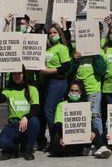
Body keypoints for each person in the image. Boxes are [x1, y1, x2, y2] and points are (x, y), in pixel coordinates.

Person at [70, 20, 108, 139]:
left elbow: (102, 70)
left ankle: (99, 140)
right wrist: (74, 59)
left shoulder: (99, 51)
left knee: (95, 115)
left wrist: (95, 55)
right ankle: (81, 139)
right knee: (80, 115)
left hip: (93, 89)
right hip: (78, 89)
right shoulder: (76, 49)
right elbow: (69, 70)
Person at [0, 68, 40, 161]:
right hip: (14, 125)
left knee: (35, 121)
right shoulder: (8, 90)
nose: (17, 76)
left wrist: (26, 117)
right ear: (11, 76)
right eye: (14, 74)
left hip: (27, 124)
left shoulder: (32, 89)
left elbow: (36, 109)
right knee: (1, 143)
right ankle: (14, 147)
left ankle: (28, 150)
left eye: (20, 73)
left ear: (24, 75)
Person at [39, 21, 71, 149]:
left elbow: (66, 66)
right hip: (47, 82)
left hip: (58, 82)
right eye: (50, 33)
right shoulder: (47, 48)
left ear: (59, 34)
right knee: (50, 111)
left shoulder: (62, 48)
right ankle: (56, 139)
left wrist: (50, 71)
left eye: (54, 32)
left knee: (48, 110)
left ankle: (56, 139)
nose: (52, 35)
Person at [50, 80, 102, 156]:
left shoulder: (85, 106)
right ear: (68, 91)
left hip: (82, 137)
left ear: (81, 92)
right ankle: (82, 151)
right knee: (55, 145)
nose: (74, 92)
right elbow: (58, 123)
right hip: (67, 136)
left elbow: (89, 123)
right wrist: (62, 136)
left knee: (95, 131)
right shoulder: (61, 105)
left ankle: (102, 149)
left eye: (77, 91)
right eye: (72, 90)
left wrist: (92, 132)